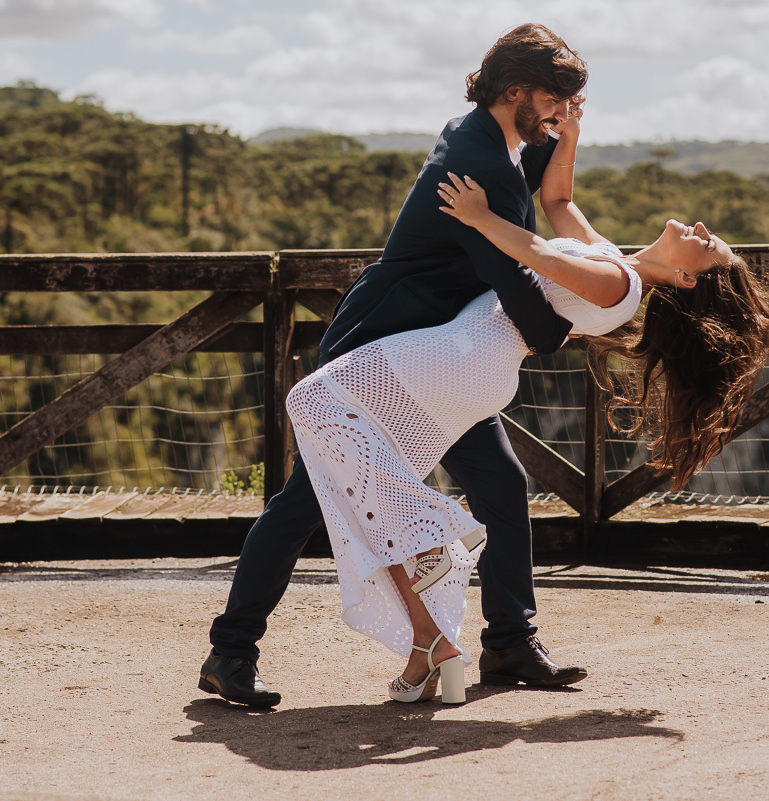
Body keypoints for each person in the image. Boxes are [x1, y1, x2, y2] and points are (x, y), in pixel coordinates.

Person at [286, 141, 769, 700]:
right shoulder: (615, 264)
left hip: (459, 357)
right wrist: (569, 133)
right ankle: (429, 638)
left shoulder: (620, 288)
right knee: (358, 469)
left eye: (708, 245)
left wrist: (480, 217)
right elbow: (557, 199)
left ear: (688, 279)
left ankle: (432, 537)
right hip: (468, 365)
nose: (701, 227)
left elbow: (539, 257)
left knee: (311, 402)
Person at [200, 23, 590, 708]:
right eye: (554, 98)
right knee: (305, 504)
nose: (561, 111)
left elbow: (516, 195)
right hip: (377, 358)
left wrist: (559, 140)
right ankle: (229, 652)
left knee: (500, 481)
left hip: (430, 362)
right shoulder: (477, 166)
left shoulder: (483, 139)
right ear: (513, 89)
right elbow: (512, 276)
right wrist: (567, 329)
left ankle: (508, 640)